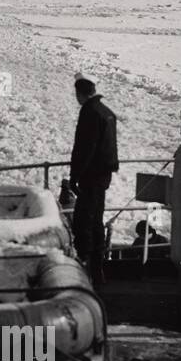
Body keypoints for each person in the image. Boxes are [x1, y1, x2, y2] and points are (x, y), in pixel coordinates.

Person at [68, 76, 119, 285]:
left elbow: (84, 148)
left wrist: (75, 176)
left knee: (84, 221)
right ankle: (97, 268)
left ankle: (87, 270)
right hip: (103, 174)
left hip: (92, 175)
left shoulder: (90, 112)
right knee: (95, 219)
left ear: (80, 94)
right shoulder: (106, 112)